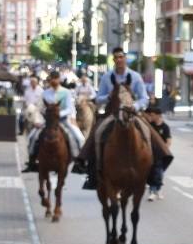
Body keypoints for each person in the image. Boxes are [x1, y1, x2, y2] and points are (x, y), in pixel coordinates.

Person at [78, 47, 154, 190]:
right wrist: (109, 97)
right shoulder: (107, 77)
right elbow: (99, 99)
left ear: (125, 59)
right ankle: (93, 168)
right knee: (97, 133)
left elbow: (144, 98)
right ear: (113, 60)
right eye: (116, 58)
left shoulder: (135, 77)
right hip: (112, 114)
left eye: (121, 57)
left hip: (132, 113)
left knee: (148, 132)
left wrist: (135, 106)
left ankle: (153, 170)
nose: (119, 60)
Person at [22, 71, 85, 172]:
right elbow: (39, 108)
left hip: (63, 120)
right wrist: (38, 120)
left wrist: (59, 115)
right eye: (52, 78)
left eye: (56, 78)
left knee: (80, 138)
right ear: (50, 80)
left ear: (59, 79)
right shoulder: (45, 93)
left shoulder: (66, 92)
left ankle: (79, 162)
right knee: (32, 137)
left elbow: (69, 108)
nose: (54, 80)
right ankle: (32, 162)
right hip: (47, 121)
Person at [144, 105, 171, 201]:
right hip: (150, 153)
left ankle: (156, 190)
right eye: (150, 115)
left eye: (152, 115)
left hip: (160, 154)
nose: (151, 117)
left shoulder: (165, 127)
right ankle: (153, 191)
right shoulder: (150, 125)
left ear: (158, 115)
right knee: (152, 172)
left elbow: (168, 141)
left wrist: (163, 150)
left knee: (158, 172)